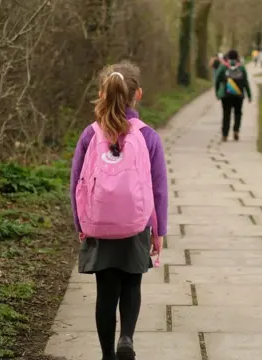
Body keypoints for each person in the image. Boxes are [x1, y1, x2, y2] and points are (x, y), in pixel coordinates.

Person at [70, 61, 168, 360]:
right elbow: (159, 188)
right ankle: (126, 338)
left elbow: (77, 182)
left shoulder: (90, 134)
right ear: (137, 94)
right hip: (136, 224)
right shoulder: (148, 136)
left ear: (102, 93)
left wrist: (80, 223)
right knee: (131, 285)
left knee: (106, 292)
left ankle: (107, 355)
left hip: (98, 223)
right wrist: (159, 230)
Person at [214, 49, 252, 142]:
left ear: (227, 57)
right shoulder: (241, 68)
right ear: (237, 57)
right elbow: (245, 82)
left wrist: (217, 93)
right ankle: (236, 131)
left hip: (226, 95)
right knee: (238, 113)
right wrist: (249, 95)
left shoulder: (223, 67)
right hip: (239, 95)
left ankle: (225, 135)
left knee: (226, 114)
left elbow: (217, 80)